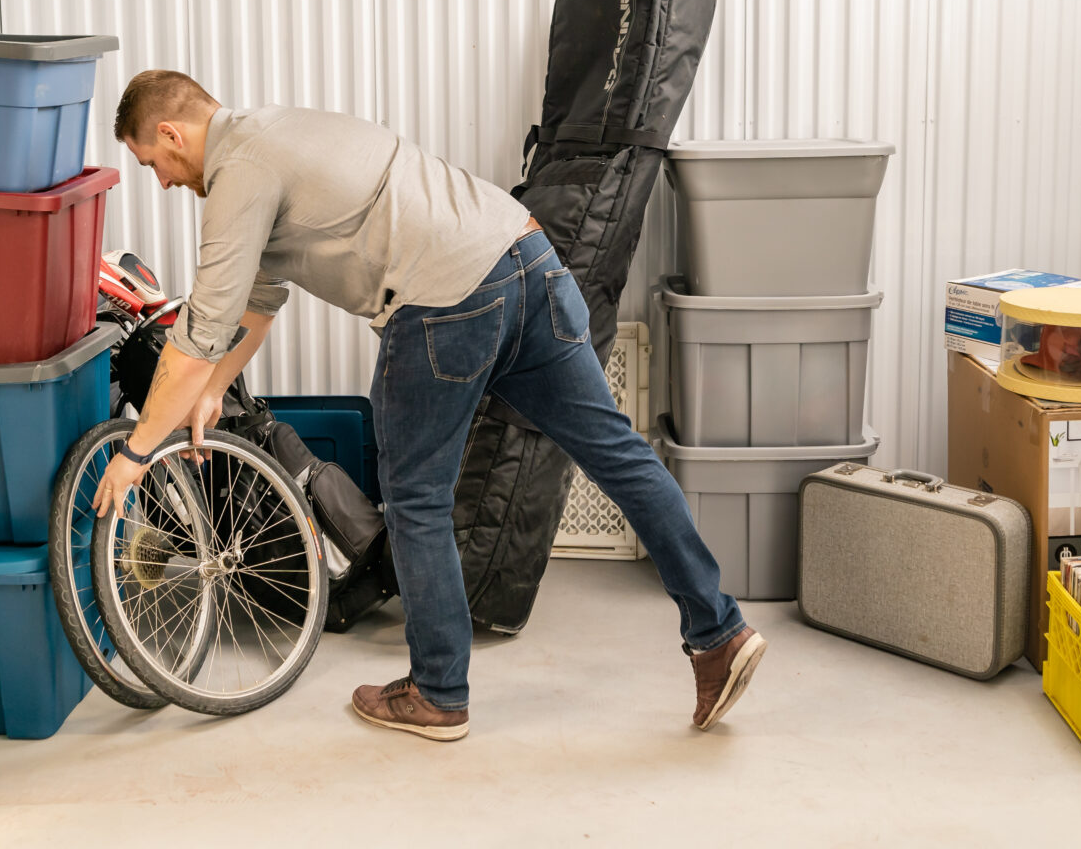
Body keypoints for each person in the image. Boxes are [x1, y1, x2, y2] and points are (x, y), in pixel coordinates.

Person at [90, 69, 764, 741]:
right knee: (618, 456)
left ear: (172, 132)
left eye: (155, 162)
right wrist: (210, 394)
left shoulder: (240, 172)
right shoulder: (280, 135)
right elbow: (256, 306)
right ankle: (719, 633)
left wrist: (137, 452)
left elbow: (198, 331)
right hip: (527, 255)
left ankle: (439, 694)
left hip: (447, 299)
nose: (165, 180)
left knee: (416, 498)